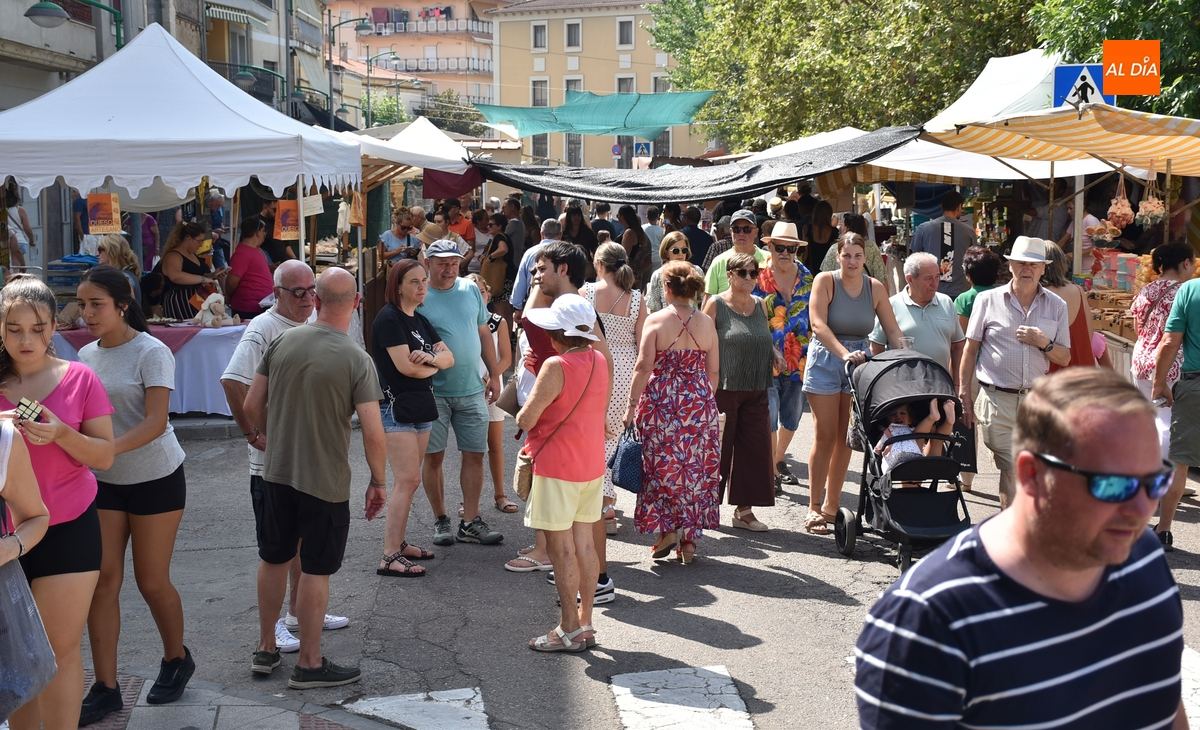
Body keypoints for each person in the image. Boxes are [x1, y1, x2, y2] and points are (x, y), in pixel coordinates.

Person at [856, 368, 1185, 729]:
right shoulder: (926, 621)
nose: (1142, 511)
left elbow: (1164, 709)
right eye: (1112, 485)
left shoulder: (1145, 559)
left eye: (1154, 481)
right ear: (1031, 475)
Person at [243, 268, 386, 689]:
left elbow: (252, 404)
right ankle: (309, 661)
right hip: (324, 479)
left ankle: (266, 647)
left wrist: (272, 434)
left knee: (273, 558)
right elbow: (374, 433)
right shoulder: (357, 359)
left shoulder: (283, 340)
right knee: (315, 570)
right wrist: (378, 481)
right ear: (356, 303)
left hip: (276, 473)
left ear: (317, 301)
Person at [75, 267, 192, 723]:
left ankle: (176, 659)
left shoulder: (152, 351)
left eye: (95, 304)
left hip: (156, 478)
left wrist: (103, 450)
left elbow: (156, 422)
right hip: (103, 484)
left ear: (123, 303)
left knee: (151, 581)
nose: (86, 313)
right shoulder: (84, 354)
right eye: (82, 304)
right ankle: (105, 687)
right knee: (102, 582)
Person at [0, 276, 115, 730]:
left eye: (37, 328)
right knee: (20, 655)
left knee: (58, 649)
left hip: (68, 527)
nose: (26, 340)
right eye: (14, 329)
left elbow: (104, 455)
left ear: (53, 328)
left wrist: (61, 433)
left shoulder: (78, 377)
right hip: (7, 535)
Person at [221, 261, 348, 653]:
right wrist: (252, 433)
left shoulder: (310, 323)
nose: (308, 298)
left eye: (312, 290)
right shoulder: (263, 328)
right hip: (273, 463)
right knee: (276, 549)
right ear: (276, 293)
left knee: (301, 543)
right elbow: (232, 380)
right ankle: (273, 628)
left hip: (305, 458)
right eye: (298, 292)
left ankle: (298, 612)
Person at [516, 294, 609, 652]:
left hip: (557, 466)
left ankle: (568, 627)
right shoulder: (599, 359)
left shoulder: (556, 366)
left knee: (561, 551)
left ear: (557, 333)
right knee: (585, 545)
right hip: (590, 464)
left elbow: (527, 417)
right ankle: (585, 623)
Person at [959, 236, 1071, 509]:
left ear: (1044, 268)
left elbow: (1065, 357)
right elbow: (969, 350)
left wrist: (1043, 342)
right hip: (997, 399)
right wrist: (964, 393)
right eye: (1021, 263)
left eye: (1033, 264)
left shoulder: (1057, 305)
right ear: (1010, 266)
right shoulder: (987, 300)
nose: (1027, 269)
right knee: (1011, 467)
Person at [804, 233, 905, 534]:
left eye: (857, 256)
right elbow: (817, 324)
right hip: (827, 358)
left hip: (858, 364)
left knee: (846, 439)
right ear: (838, 256)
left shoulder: (874, 287)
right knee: (824, 435)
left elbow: (892, 329)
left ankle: (831, 507)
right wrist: (844, 353)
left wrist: (908, 354)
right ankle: (812, 508)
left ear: (865, 257)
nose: (852, 261)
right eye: (846, 255)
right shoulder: (825, 281)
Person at [626, 261, 720, 563]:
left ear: (666, 288)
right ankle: (690, 541)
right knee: (695, 470)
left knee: (661, 467)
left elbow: (643, 367)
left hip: (661, 403)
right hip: (698, 402)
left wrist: (631, 406)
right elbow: (714, 371)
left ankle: (666, 530)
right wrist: (702, 401)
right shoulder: (706, 323)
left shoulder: (655, 321)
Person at [419, 240, 504, 547]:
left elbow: (484, 332)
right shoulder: (420, 294)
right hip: (433, 392)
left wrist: (494, 375)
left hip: (471, 389)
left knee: (475, 455)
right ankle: (441, 519)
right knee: (433, 458)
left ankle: (469, 522)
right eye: (442, 263)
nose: (449, 269)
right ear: (428, 263)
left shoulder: (470, 290)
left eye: (454, 263)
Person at [371, 260, 453, 578]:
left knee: (411, 480)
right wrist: (436, 365)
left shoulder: (419, 320)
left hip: (419, 408)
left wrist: (432, 359)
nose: (422, 287)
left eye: (423, 281)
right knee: (407, 480)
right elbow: (406, 367)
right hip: (396, 409)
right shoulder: (389, 319)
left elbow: (451, 357)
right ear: (398, 286)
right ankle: (390, 556)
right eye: (414, 281)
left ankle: (399, 544)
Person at [702, 252, 778, 532]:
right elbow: (703, 341)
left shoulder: (760, 304)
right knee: (718, 450)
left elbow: (759, 336)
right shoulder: (715, 304)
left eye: (753, 272)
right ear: (730, 275)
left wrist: (774, 352)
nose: (749, 277)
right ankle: (707, 509)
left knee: (755, 449)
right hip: (724, 388)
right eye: (742, 272)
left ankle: (744, 511)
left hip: (756, 386)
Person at [1130, 243, 1195, 549]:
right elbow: (1174, 337)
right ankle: (1159, 481)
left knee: (1149, 422)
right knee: (1168, 428)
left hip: (1141, 359)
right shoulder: (1184, 291)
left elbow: (1137, 328)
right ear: (1185, 263)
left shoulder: (1147, 290)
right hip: (1170, 366)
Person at [583, 243, 645, 534]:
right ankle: (607, 503)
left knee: (593, 433)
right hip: (627, 368)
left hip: (595, 364)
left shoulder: (587, 293)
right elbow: (643, 342)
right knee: (614, 436)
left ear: (598, 264)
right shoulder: (636, 299)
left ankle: (596, 500)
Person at [752, 223, 814, 492]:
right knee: (769, 411)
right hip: (767, 355)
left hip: (801, 358)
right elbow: (750, 315)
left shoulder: (809, 278)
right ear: (770, 247)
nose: (786, 253)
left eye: (791, 248)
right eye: (780, 247)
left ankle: (778, 459)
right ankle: (769, 470)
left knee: (793, 415)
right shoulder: (758, 276)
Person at [1152, 244, 1200, 555]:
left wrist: (1159, 383)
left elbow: (1170, 341)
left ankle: (1165, 530)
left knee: (1179, 462)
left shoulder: (1190, 290)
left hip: (1195, 385)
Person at [869, 251, 965, 379]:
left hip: (941, 387)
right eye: (928, 278)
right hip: (903, 388)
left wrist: (957, 384)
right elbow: (876, 348)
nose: (935, 283)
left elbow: (957, 347)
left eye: (937, 276)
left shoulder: (946, 302)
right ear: (910, 279)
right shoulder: (891, 305)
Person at [466, 274, 517, 514]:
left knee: (494, 443)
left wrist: (490, 376)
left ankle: (500, 495)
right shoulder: (461, 320)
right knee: (470, 449)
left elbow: (507, 357)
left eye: (482, 291)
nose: (478, 296)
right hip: (466, 388)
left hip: (491, 387)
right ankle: (468, 502)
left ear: (488, 294)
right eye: (472, 291)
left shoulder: (497, 321)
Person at [953, 245, 1002, 492]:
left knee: (967, 418)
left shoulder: (964, 299)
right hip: (994, 367)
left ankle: (966, 478)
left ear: (968, 274)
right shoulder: (1001, 296)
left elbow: (959, 339)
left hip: (971, 367)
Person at [1042, 240, 1112, 371]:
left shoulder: (1037, 294)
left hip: (1049, 368)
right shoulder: (1078, 291)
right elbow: (1088, 334)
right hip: (1079, 365)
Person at [911, 189, 977, 300]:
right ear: (959, 207)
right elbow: (974, 261)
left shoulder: (924, 228)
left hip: (930, 290)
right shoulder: (969, 231)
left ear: (941, 207)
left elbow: (914, 260)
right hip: (960, 292)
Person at [159, 221, 223, 320]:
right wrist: (203, 279)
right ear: (189, 239)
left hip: (199, 299)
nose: (201, 245)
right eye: (199, 241)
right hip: (180, 301)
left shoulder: (193, 255)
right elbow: (175, 276)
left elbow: (195, 274)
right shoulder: (173, 255)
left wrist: (213, 275)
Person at [875, 399, 956, 474]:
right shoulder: (888, 431)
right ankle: (948, 422)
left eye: (902, 413)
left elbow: (877, 450)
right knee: (932, 437)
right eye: (892, 414)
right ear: (887, 420)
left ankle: (936, 419)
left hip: (907, 462)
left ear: (910, 420)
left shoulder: (891, 431)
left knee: (928, 436)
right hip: (902, 460)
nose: (898, 416)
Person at [706, 210, 766, 296]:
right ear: (731, 232)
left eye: (747, 229)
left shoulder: (769, 259)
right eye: (736, 229)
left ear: (756, 232)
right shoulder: (719, 262)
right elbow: (707, 300)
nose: (741, 233)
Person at [226, 218, 275, 320]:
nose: (264, 234)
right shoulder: (242, 254)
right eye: (263, 231)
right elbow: (231, 282)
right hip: (248, 308)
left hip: (261, 305)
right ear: (257, 233)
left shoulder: (256, 249)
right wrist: (229, 297)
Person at [512, 218, 562, 315]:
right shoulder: (567, 253)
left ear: (541, 234)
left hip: (534, 305)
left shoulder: (530, 253)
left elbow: (521, 280)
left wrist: (517, 306)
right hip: (560, 305)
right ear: (560, 235)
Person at [646, 231, 703, 312]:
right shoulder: (658, 275)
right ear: (666, 252)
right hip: (666, 322)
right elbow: (654, 307)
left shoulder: (696, 271)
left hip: (692, 321)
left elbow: (704, 300)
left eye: (684, 250)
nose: (680, 254)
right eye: (675, 250)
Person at [820, 213, 887, 281]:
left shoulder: (835, 248)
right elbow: (881, 277)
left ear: (846, 228)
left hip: (839, 289)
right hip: (867, 289)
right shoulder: (872, 247)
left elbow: (825, 276)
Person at [481, 212, 516, 332]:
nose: (488, 227)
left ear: (499, 226)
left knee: (500, 309)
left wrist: (490, 257)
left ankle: (503, 337)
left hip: (501, 278)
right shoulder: (504, 237)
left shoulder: (499, 237)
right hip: (508, 276)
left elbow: (503, 249)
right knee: (507, 310)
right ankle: (509, 337)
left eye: (491, 225)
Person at [96, 233, 142, 306]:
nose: (97, 254)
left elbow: (128, 310)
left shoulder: (123, 278)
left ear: (113, 251)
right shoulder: (126, 275)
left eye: (100, 249)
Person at [1057, 198, 1100, 274]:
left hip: (1092, 269)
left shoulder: (1090, 221)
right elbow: (1062, 242)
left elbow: (1098, 247)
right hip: (1079, 268)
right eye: (1068, 208)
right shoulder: (1075, 222)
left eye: (1071, 208)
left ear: (1081, 206)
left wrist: (1076, 254)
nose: (1068, 211)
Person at [250, 199, 296, 268]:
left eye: (279, 210)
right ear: (265, 207)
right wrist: (267, 266)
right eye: (275, 210)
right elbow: (251, 247)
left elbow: (286, 243)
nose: (277, 213)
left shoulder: (279, 221)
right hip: (268, 267)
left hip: (283, 265)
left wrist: (295, 259)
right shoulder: (255, 222)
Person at [617, 206, 653, 288]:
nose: (618, 218)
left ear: (622, 216)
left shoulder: (629, 233)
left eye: (618, 215)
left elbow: (624, 255)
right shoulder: (637, 232)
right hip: (633, 274)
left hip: (628, 274)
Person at [801, 200, 838, 275]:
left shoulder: (807, 228)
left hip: (811, 266)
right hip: (827, 267)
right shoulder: (834, 231)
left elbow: (805, 251)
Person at [5, 182, 33, 263]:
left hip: (5, 242)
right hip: (19, 240)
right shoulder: (20, 210)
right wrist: (32, 241)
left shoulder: (2, 211)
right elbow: (28, 229)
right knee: (16, 268)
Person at [467, 209, 491, 275]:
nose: (489, 221)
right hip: (473, 267)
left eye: (489, 218)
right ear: (479, 221)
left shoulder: (492, 230)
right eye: (486, 219)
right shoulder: (472, 231)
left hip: (488, 267)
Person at [502, 198, 526, 263]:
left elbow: (502, 238)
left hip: (512, 261)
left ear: (512, 207)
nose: (502, 210)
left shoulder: (514, 222)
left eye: (504, 207)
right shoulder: (518, 221)